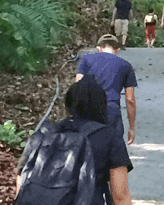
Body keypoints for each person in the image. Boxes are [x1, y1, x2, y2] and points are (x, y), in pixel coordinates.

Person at [16, 75, 134, 205]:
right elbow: (120, 197)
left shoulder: (44, 134)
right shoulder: (110, 137)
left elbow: (22, 181)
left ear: (68, 104)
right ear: (102, 106)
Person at [76, 34, 137, 145]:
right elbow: (130, 99)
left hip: (89, 111)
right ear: (117, 49)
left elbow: (78, 87)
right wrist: (132, 128)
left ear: (99, 48)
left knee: (89, 151)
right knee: (114, 153)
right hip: (111, 111)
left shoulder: (86, 59)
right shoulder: (126, 65)